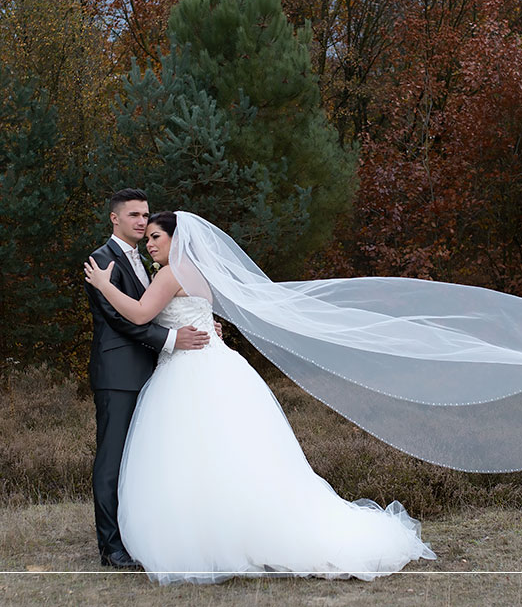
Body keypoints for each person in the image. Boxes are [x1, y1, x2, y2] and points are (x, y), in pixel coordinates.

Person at [84, 210, 438, 583]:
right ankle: (231, 531)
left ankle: (211, 536)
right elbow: (191, 315)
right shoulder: (197, 273)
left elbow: (140, 315)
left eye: (157, 237)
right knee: (225, 454)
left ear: (178, 239)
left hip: (189, 371)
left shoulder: (171, 273)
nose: (150, 243)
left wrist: (104, 285)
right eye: (149, 236)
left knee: (191, 453)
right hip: (215, 365)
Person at [84, 190, 213, 569]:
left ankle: (141, 534)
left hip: (154, 373)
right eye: (134, 215)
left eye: (145, 216)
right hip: (119, 374)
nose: (142, 222)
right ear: (115, 219)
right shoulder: (100, 261)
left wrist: (200, 324)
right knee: (111, 461)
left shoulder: (148, 262)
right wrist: (173, 338)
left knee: (145, 460)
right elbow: (122, 319)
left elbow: (157, 309)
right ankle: (110, 547)